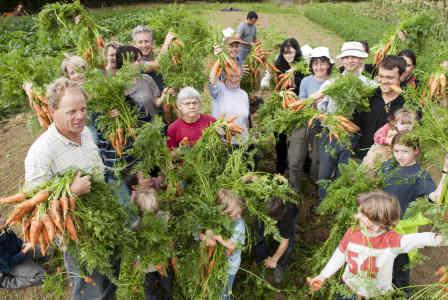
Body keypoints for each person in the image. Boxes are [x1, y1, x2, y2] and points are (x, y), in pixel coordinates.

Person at [24, 78, 112, 299]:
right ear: (53, 111)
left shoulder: (85, 134)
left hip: (102, 223)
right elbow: (35, 205)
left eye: (83, 109)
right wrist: (70, 192)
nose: (80, 116)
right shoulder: (42, 151)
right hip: (76, 237)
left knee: (109, 284)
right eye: (72, 111)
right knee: (89, 290)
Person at [308, 191, 447, 299]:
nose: (357, 217)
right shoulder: (352, 233)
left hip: (377, 295)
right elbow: (339, 255)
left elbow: (423, 238)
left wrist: (443, 237)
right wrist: (323, 276)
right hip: (347, 291)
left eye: (362, 215)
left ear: (379, 222)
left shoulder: (391, 241)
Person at [380, 133, 448, 292]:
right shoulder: (388, 166)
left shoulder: (420, 175)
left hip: (401, 231)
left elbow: (435, 198)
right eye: (396, 151)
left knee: (399, 275)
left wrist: (445, 172)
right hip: (381, 227)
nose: (400, 156)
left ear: (415, 150)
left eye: (405, 151)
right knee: (380, 271)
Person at [315, 41, 375, 202]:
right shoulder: (332, 83)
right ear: (342, 60)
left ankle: (338, 205)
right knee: (324, 173)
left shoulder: (369, 85)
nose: (350, 61)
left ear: (361, 59)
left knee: (344, 174)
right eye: (347, 57)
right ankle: (323, 205)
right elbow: (319, 107)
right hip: (330, 134)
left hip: (352, 135)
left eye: (354, 57)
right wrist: (330, 119)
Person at [288, 46, 333, 189]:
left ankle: (315, 184)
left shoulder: (334, 83)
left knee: (317, 160)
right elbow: (302, 101)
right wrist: (306, 103)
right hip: (304, 121)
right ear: (311, 65)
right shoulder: (306, 81)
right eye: (315, 63)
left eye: (322, 63)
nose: (319, 67)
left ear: (328, 65)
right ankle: (294, 187)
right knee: (295, 158)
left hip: (323, 125)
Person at [354, 55, 407, 159]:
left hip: (388, 160)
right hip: (359, 156)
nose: (384, 81)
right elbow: (355, 124)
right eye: (381, 76)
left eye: (389, 77)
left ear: (401, 77)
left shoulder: (406, 104)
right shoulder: (368, 96)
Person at [268, 38, 305, 177]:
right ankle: (280, 165)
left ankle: (303, 164)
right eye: (285, 52)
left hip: (297, 108)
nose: (288, 55)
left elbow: (304, 88)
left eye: (291, 52)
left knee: (298, 138)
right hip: (280, 107)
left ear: (296, 51)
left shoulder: (303, 67)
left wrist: (295, 77)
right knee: (280, 138)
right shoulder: (278, 66)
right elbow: (275, 88)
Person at [200, 189, 245, 300]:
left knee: (224, 291)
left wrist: (220, 239)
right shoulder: (218, 218)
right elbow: (201, 232)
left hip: (230, 266)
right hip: (218, 264)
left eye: (240, 213)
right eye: (236, 214)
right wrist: (205, 237)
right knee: (217, 286)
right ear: (224, 213)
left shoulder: (239, 225)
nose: (239, 216)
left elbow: (232, 246)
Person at [209, 37, 250, 145]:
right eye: (231, 46)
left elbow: (246, 121)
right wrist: (219, 59)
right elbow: (212, 78)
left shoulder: (244, 94)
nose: (234, 78)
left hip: (242, 142)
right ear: (226, 75)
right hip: (223, 141)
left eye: (236, 46)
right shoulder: (220, 89)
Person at [253, 197, 298, 284]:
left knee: (288, 244)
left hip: (283, 215)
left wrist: (274, 259)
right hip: (261, 211)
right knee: (259, 234)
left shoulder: (286, 218)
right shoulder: (265, 194)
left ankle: (280, 264)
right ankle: (261, 260)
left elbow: (284, 241)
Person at [0, 214, 45, 289]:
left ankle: (29, 263)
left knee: (49, 251)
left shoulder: (4, 227)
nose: (3, 219)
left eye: (1, 216)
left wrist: (23, 244)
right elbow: (10, 263)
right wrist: (25, 250)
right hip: (9, 265)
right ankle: (7, 282)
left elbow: (15, 239)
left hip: (18, 252)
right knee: (41, 276)